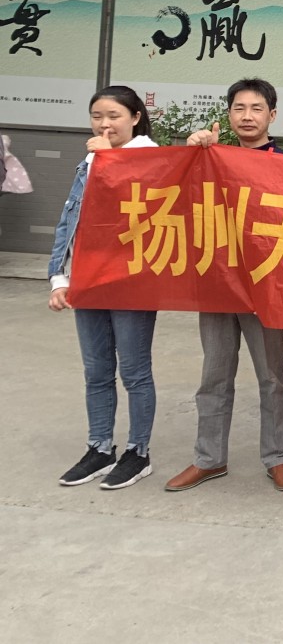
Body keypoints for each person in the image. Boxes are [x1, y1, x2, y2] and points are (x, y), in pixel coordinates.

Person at [167, 78, 283, 493]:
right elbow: (177, 195)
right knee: (214, 375)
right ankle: (209, 459)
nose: (247, 116)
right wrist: (192, 149)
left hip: (265, 287)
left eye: (256, 108)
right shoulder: (209, 158)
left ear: (272, 115)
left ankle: (279, 456)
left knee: (272, 377)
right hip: (218, 283)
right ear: (228, 114)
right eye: (239, 108)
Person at [47, 86, 160, 490]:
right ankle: (99, 448)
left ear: (135, 118)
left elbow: (140, 206)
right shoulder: (89, 161)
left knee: (134, 371)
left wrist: (108, 157)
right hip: (89, 279)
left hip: (132, 282)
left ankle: (138, 452)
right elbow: (70, 222)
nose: (104, 124)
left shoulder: (150, 157)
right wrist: (60, 277)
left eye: (114, 116)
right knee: (96, 371)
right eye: (97, 116)